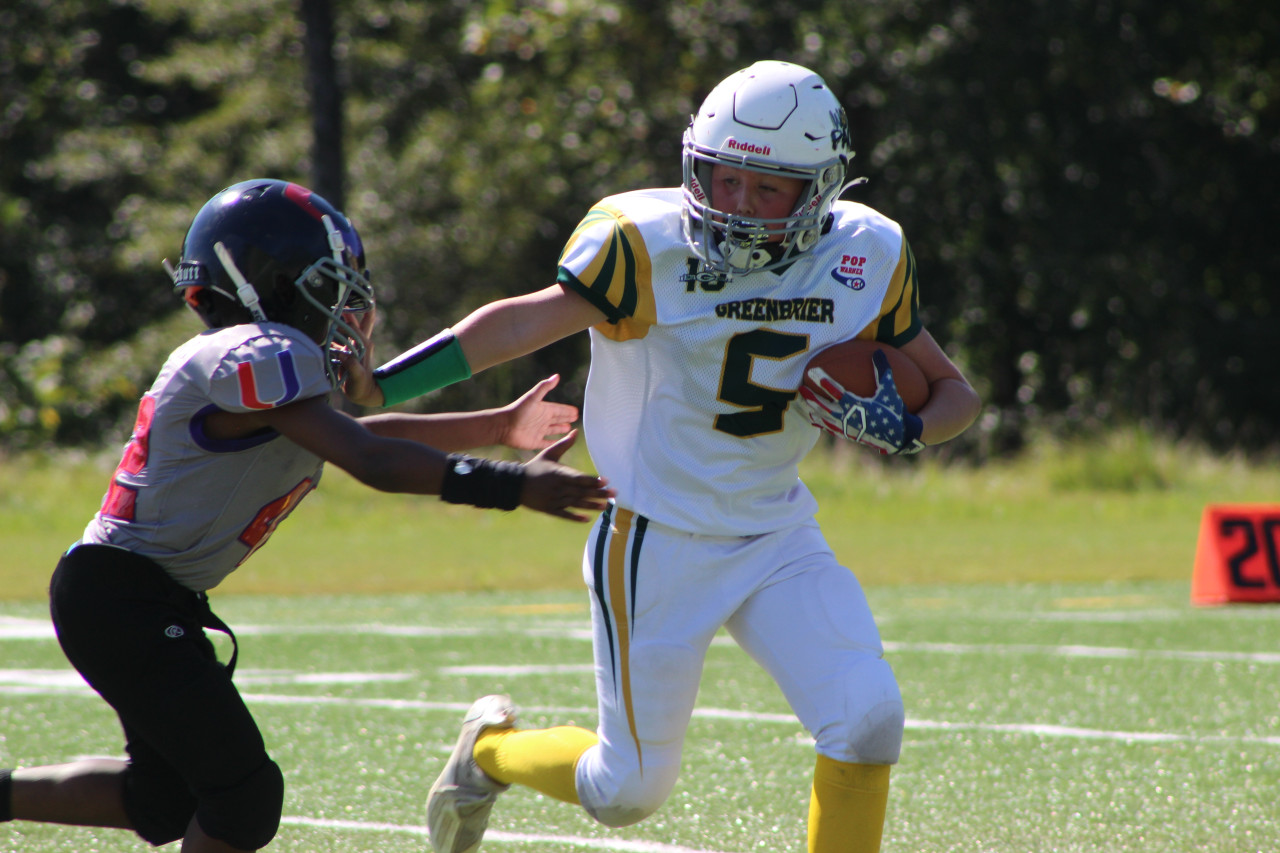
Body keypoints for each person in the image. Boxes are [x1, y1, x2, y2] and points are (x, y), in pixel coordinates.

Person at [350, 60, 982, 853]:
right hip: (655, 537)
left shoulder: (866, 252)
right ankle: (487, 753)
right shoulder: (644, 244)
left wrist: (911, 429)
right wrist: (382, 385)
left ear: (820, 189)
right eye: (724, 180)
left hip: (775, 532)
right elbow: (515, 324)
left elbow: (954, 391)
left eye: (767, 189)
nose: (738, 206)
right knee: (625, 792)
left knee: (867, 716)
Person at [0, 178, 613, 852]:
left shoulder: (263, 373)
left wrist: (495, 425)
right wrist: (512, 485)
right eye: (334, 282)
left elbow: (374, 435)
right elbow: (371, 459)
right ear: (278, 282)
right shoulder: (255, 352)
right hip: (119, 598)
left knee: (165, 796)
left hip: (123, 593)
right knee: (243, 795)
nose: (350, 304)